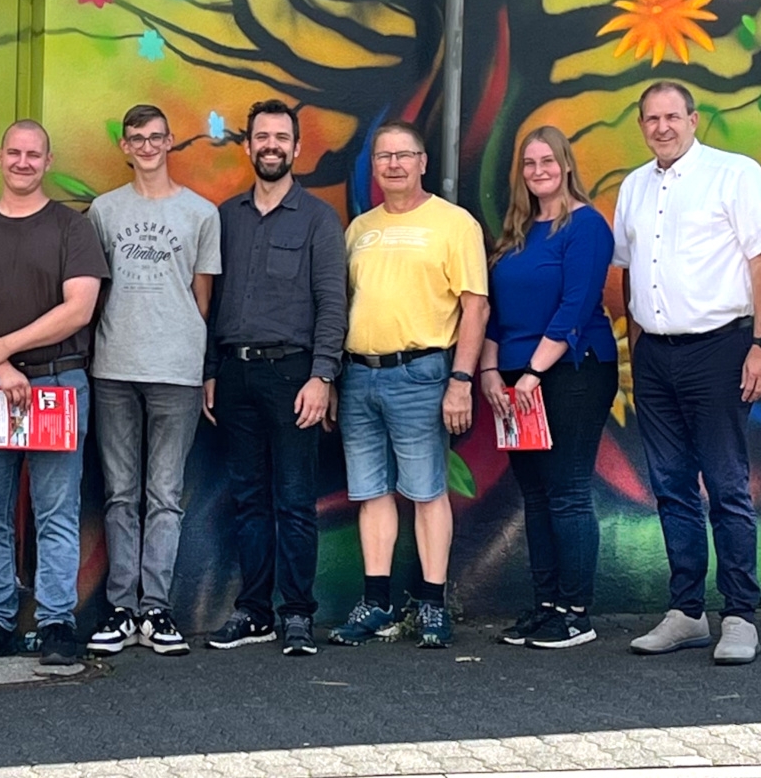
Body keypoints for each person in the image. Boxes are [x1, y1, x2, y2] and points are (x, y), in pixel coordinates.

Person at [615, 81, 761, 666]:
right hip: (656, 355)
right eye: (651, 119)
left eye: (672, 117)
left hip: (720, 349)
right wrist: (636, 352)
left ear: (692, 118)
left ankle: (739, 615)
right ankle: (687, 612)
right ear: (642, 125)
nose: (662, 127)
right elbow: (630, 275)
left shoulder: (735, 174)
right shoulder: (634, 187)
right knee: (671, 485)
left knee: (728, 486)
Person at [0, 119, 108, 665]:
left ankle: (57, 624)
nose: (23, 162)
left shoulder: (71, 229)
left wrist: (6, 350)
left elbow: (79, 307)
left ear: (48, 161)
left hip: (57, 382)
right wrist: (3, 368)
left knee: (56, 512)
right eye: (15, 152)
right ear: (0, 156)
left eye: (34, 154)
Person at [328, 120, 488, 650]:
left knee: (426, 492)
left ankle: (431, 605)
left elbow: (475, 307)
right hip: (359, 375)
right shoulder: (359, 229)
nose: (393, 164)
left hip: (421, 373)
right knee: (371, 492)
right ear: (373, 167)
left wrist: (461, 380)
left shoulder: (454, 224)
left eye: (404, 155)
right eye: (383, 157)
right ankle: (376, 602)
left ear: (423, 162)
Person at [203, 100, 345, 657]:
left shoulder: (317, 219)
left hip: (293, 375)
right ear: (247, 146)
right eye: (261, 136)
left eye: (281, 137)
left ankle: (297, 615)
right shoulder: (225, 216)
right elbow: (210, 303)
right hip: (233, 376)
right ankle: (253, 611)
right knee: (248, 500)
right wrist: (212, 370)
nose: (271, 145)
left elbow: (332, 302)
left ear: (296, 148)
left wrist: (322, 376)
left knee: (293, 500)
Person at [83, 104, 220, 659]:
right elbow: (93, 292)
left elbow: (203, 298)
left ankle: (156, 609)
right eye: (136, 138)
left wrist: (196, 357)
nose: (146, 146)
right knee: (119, 494)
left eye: (155, 137)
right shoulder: (102, 211)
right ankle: (120, 609)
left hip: (177, 369)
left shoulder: (201, 214)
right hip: (114, 367)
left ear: (170, 143)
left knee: (164, 495)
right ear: (125, 146)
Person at [480, 126, 620, 650]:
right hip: (515, 380)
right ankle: (547, 607)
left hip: (572, 373)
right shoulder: (517, 232)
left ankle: (576, 614)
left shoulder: (585, 226)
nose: (538, 171)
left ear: (565, 165)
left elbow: (576, 306)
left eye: (548, 161)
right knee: (536, 496)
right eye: (529, 163)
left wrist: (533, 375)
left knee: (566, 492)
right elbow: (495, 314)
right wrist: (492, 374)